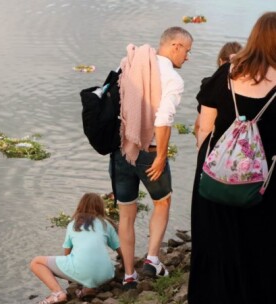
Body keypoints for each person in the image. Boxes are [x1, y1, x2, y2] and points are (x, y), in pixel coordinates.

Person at [189, 11, 276, 303]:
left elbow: (204, 127)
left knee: (215, 243)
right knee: (259, 246)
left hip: (217, 174)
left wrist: (213, 160)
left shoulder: (226, 72)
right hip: (263, 180)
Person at [110, 26, 193, 289]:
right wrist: (160, 156)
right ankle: (152, 260)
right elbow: (164, 119)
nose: (187, 58)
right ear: (175, 46)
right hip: (149, 151)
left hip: (122, 148)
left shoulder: (131, 64)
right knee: (162, 202)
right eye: (187, 51)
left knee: (126, 213)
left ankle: (129, 276)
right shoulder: (172, 78)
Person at [30, 193, 121, 304]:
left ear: (80, 206)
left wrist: (69, 277)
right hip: (107, 273)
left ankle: (58, 293)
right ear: (100, 207)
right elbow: (120, 250)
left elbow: (67, 252)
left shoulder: (73, 224)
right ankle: (88, 289)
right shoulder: (106, 224)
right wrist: (127, 271)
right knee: (89, 262)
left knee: (36, 262)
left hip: (83, 270)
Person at [194, 41, 243, 135]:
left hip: (217, 142)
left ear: (220, 61)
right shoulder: (250, 87)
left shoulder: (210, 84)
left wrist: (200, 146)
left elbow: (200, 126)